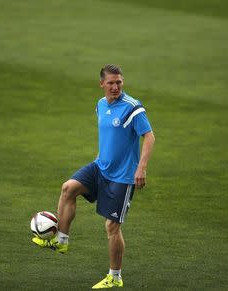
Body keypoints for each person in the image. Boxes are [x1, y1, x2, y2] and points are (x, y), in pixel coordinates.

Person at [32, 64, 155, 289]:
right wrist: (100, 157)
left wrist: (142, 167)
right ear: (102, 84)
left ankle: (115, 277)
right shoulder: (100, 105)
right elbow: (109, 136)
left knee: (111, 227)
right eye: (111, 83)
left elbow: (149, 137)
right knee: (68, 188)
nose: (116, 86)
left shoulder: (133, 108)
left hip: (122, 177)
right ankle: (61, 241)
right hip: (100, 167)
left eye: (119, 82)